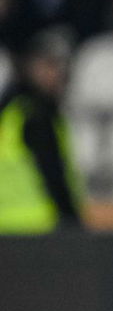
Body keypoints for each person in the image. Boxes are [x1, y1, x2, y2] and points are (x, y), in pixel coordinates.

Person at [0, 27, 84, 233]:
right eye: (49, 65)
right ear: (28, 66)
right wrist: (74, 223)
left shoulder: (10, 111)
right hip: (39, 228)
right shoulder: (37, 115)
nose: (56, 74)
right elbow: (53, 174)